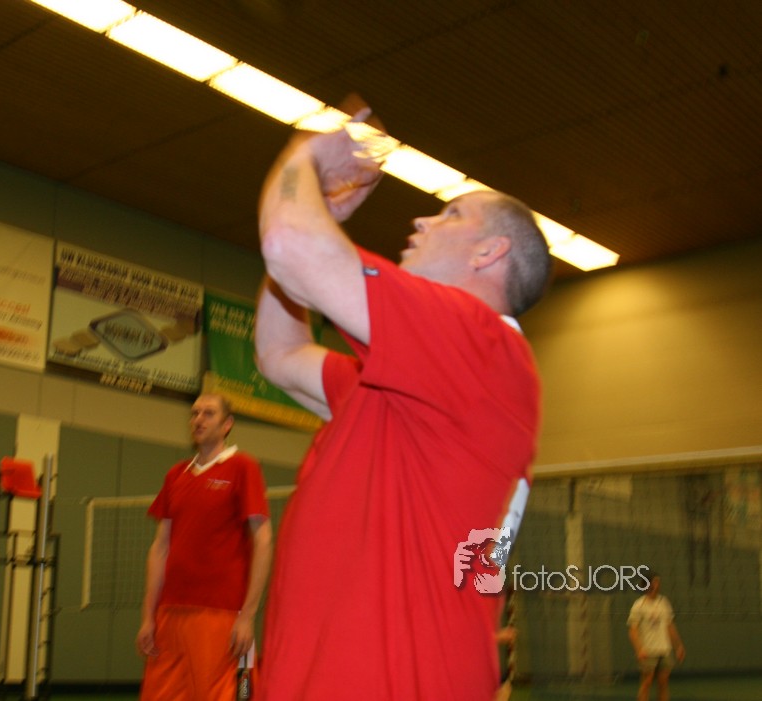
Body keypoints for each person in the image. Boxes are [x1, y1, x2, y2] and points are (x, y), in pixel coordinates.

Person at [253, 102, 552, 700]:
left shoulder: (482, 347)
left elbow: (288, 242)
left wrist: (308, 155)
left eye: (450, 214)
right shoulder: (412, 383)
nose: (422, 219)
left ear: (489, 252)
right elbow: (279, 356)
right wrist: (318, 220)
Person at [136, 393, 273, 701]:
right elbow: (160, 547)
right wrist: (148, 616)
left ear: (227, 424)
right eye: (195, 413)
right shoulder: (176, 475)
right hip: (170, 614)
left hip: (222, 615)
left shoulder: (243, 467)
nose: (198, 419)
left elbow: (263, 540)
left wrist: (247, 616)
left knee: (234, 692)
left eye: (208, 413)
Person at [628, 572, 685, 701]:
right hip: (648, 650)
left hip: (665, 649)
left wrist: (678, 646)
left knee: (663, 682)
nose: (656, 585)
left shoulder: (664, 602)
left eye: (657, 582)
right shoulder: (639, 605)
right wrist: (639, 649)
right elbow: (632, 630)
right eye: (654, 582)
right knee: (646, 683)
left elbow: (670, 626)